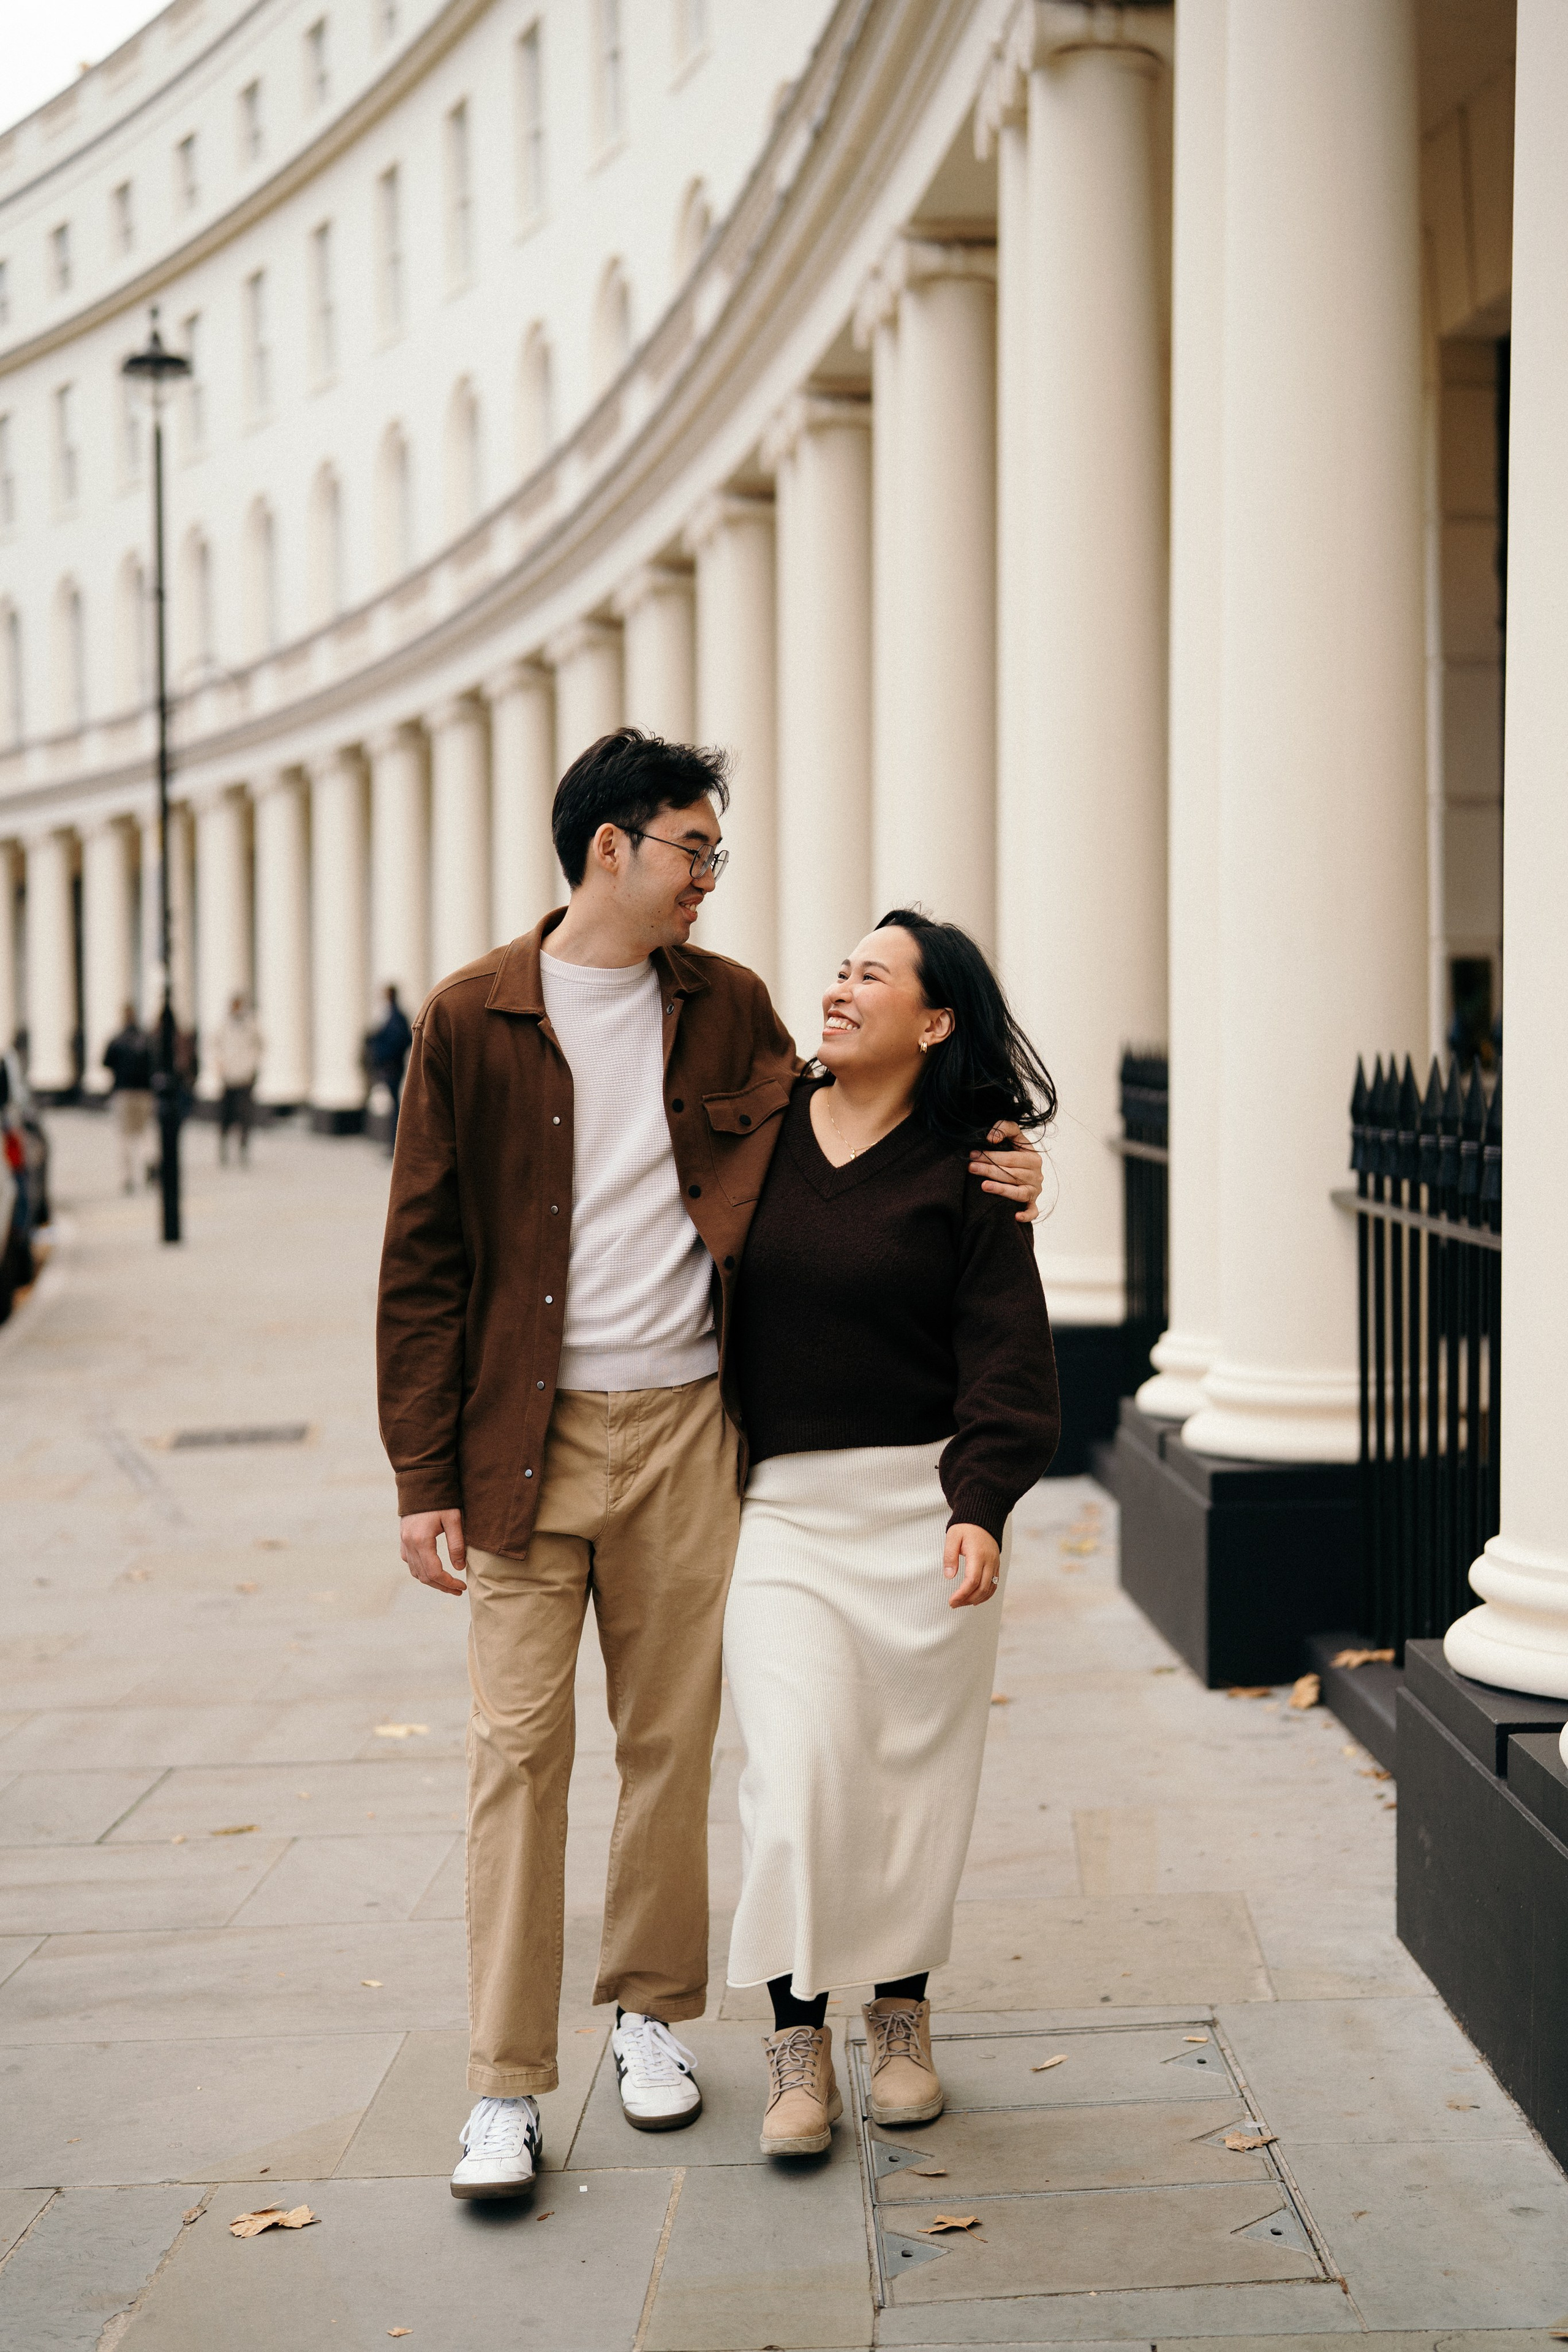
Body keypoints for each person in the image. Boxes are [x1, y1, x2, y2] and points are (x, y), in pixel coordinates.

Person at [375, 730, 1045, 2204]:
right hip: (520, 1440)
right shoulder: (470, 1016)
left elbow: (855, 1111)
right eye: (695, 847)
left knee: (672, 1749)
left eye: (716, 851)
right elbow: (421, 1259)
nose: (711, 876)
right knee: (516, 1754)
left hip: (688, 1426)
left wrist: (999, 1158)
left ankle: (651, 2013)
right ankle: (502, 2084)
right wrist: (421, 1468)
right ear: (611, 847)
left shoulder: (726, 1003)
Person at [723, 911, 1060, 2157]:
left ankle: (901, 2022)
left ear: (932, 1022)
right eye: (838, 969)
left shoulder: (973, 1164)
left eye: (870, 975)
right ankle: (794, 2044)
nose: (837, 987)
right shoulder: (754, 1126)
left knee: (912, 1782)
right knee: (800, 1769)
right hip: (779, 1518)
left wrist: (979, 1508)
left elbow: (1006, 1355)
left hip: (924, 1516)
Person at [102, 1006, 156, 1194]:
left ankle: (127, 1177)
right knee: (145, 1133)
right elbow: (154, 1063)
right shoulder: (145, 1040)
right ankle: (150, 1162)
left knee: (124, 1136)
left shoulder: (117, 1040)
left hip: (123, 1093)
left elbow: (106, 1062)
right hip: (144, 1093)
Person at [213, 995, 262, 1164]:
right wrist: (221, 1064)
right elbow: (214, 1046)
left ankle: (243, 1148)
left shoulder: (250, 1025)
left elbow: (259, 1046)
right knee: (226, 1115)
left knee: (244, 1116)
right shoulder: (224, 1026)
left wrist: (251, 1066)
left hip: (244, 1077)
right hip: (228, 1077)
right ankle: (224, 1147)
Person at [366, 984, 414, 1146]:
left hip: (392, 1067)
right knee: (393, 1104)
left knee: (395, 1106)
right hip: (391, 1066)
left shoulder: (396, 1017)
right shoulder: (392, 1015)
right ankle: (393, 1142)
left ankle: (396, 1142)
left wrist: (384, 1056)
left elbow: (400, 1040)